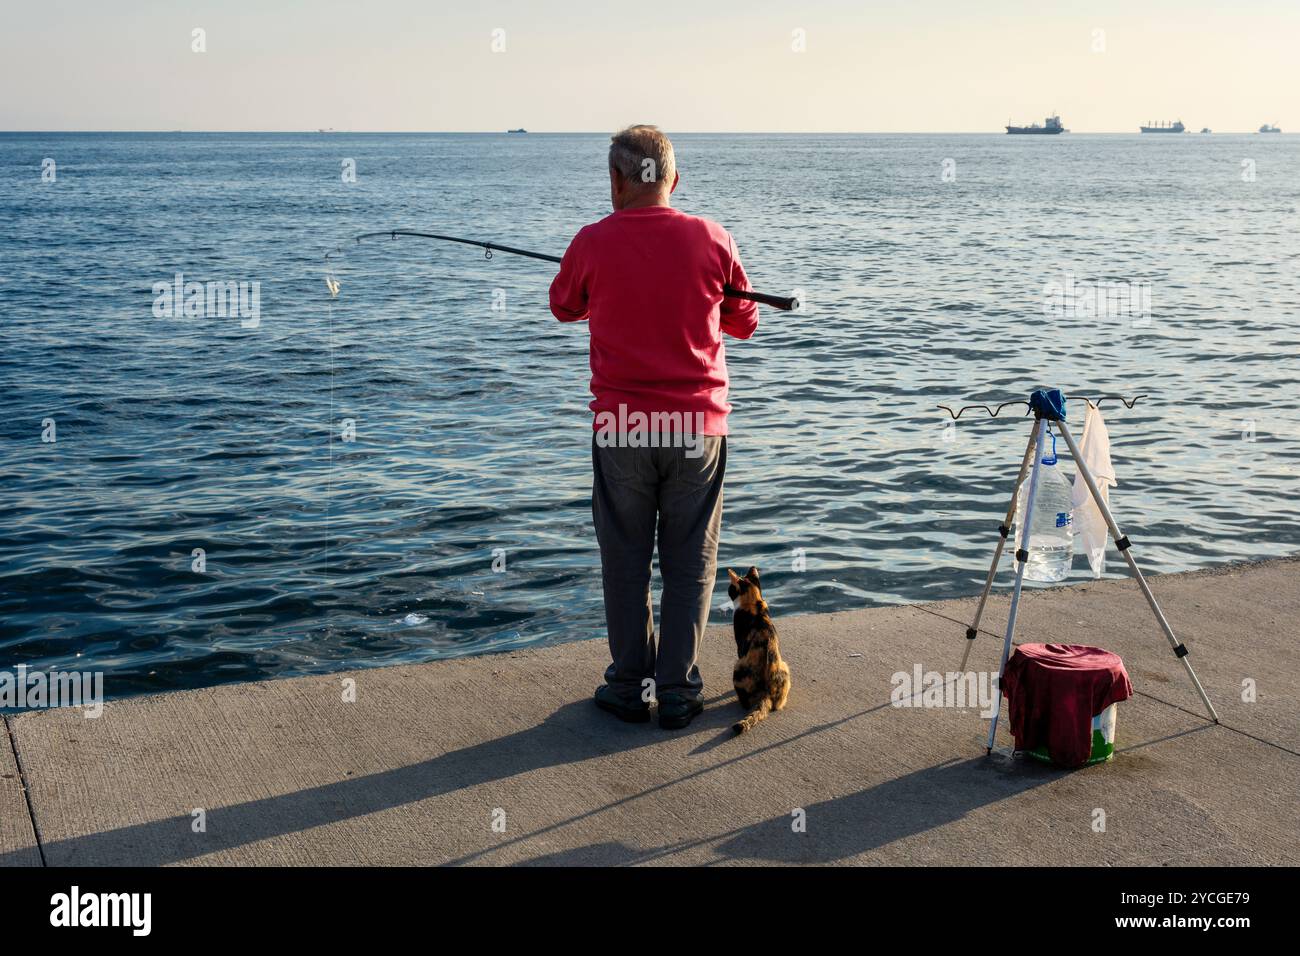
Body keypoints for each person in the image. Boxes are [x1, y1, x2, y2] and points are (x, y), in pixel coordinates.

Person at [549, 125, 759, 729]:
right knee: (691, 561)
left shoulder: (593, 240)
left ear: (616, 180)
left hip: (623, 428)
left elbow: (564, 306)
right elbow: (743, 322)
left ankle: (628, 684)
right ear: (673, 180)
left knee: (626, 558)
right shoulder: (713, 238)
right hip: (696, 426)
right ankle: (675, 690)